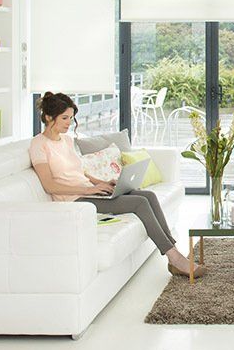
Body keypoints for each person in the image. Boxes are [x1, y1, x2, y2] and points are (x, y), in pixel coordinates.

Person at [28, 91, 203, 278]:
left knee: (149, 196)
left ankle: (174, 252)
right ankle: (175, 259)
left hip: (90, 192)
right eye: (64, 118)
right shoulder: (39, 145)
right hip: (75, 200)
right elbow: (50, 185)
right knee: (139, 203)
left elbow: (79, 172)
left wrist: (102, 183)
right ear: (48, 117)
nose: (69, 122)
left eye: (71, 117)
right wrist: (89, 189)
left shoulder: (67, 141)